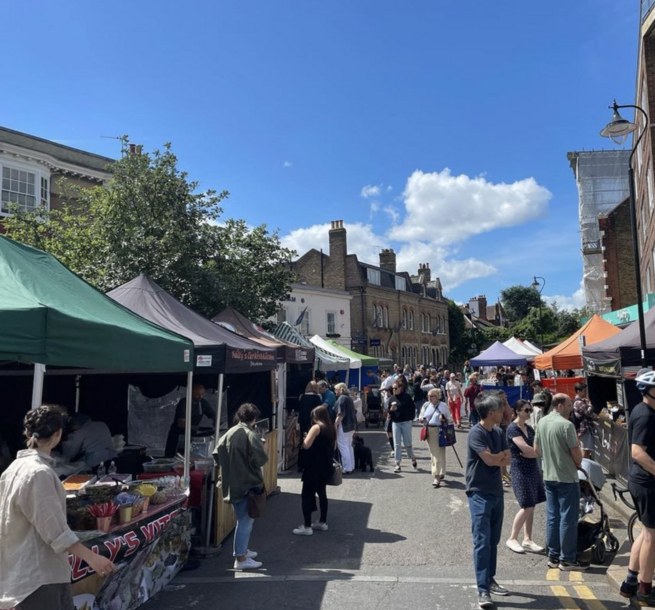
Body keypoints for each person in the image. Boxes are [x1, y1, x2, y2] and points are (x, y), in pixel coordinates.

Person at [0, 406, 116, 610]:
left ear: (27, 433)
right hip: (38, 578)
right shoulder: (39, 473)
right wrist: (92, 558)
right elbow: (54, 531)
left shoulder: (12, 470)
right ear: (58, 434)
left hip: (18, 572)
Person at [465, 392, 511, 609]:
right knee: (482, 541)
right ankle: (483, 590)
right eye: (500, 409)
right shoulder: (476, 433)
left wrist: (498, 457)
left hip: (496, 491)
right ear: (490, 413)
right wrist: (498, 457)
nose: (503, 412)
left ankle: (490, 580)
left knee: (493, 540)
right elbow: (490, 460)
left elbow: (507, 459)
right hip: (479, 492)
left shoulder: (499, 431)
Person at [534, 393, 585, 571]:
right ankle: (568, 559)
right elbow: (577, 457)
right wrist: (579, 457)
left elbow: (536, 449)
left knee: (553, 516)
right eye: (570, 405)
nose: (572, 409)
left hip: (548, 475)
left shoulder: (542, 422)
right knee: (568, 518)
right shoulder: (567, 425)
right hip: (567, 477)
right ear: (560, 406)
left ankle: (553, 556)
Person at [214, 403, 268, 571]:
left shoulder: (229, 432)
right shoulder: (250, 434)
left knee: (243, 519)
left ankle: (242, 550)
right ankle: (241, 558)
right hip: (247, 482)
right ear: (254, 418)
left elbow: (216, 455)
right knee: (245, 521)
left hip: (232, 482)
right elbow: (261, 459)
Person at [620, 369, 655, 603]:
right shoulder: (646, 416)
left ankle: (630, 582)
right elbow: (637, 452)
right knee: (653, 536)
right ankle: (645, 589)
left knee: (645, 531)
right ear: (649, 391)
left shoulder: (644, 410)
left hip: (640, 480)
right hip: (647, 482)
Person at [504, 400, 546, 555]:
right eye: (526, 410)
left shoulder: (528, 428)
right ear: (518, 411)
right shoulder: (512, 428)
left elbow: (535, 448)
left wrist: (534, 452)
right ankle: (512, 537)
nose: (529, 413)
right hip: (520, 469)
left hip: (532, 469)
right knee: (527, 504)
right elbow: (526, 449)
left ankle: (527, 538)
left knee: (532, 504)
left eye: (530, 410)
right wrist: (536, 452)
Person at [293, 405, 336, 536]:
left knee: (307, 494)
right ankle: (322, 522)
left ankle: (307, 526)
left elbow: (306, 445)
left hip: (313, 465)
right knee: (322, 493)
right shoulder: (331, 428)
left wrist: (304, 437)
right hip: (326, 465)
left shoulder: (316, 427)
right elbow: (334, 446)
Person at [165, 383, 216, 458]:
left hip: (192, 435)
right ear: (191, 393)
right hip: (178, 435)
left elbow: (213, 415)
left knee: (191, 456)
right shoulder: (184, 403)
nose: (200, 397)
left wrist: (216, 423)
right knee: (175, 456)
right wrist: (198, 428)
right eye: (197, 394)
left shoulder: (203, 403)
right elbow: (182, 423)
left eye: (202, 394)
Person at [420, 388, 452, 488]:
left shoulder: (443, 406)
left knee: (440, 452)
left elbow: (449, 419)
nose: (429, 398)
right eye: (428, 396)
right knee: (434, 452)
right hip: (429, 430)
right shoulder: (426, 405)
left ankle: (437, 475)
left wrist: (444, 419)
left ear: (438, 396)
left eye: (432, 396)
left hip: (441, 430)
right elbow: (420, 416)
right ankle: (439, 473)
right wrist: (421, 419)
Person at [388, 376, 417, 473]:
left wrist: (411, 418)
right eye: (393, 388)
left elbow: (412, 407)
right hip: (396, 423)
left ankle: (412, 457)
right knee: (397, 444)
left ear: (400, 388)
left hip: (406, 422)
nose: (394, 390)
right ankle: (397, 463)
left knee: (407, 443)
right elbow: (388, 411)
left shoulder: (406, 397)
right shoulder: (392, 398)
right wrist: (391, 411)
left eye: (395, 388)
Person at [334, 383, 357, 475]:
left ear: (341, 390)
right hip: (351, 425)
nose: (335, 391)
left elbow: (341, 414)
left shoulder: (341, 399)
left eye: (336, 390)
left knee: (343, 446)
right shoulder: (349, 398)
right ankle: (351, 466)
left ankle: (347, 468)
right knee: (348, 446)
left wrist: (335, 424)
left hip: (344, 425)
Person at [571, 382, 595, 450]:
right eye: (584, 391)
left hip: (584, 429)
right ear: (578, 391)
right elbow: (587, 413)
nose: (586, 393)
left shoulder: (580, 401)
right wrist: (590, 404)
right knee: (585, 449)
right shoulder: (579, 402)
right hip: (584, 429)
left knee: (587, 449)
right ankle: (583, 461)